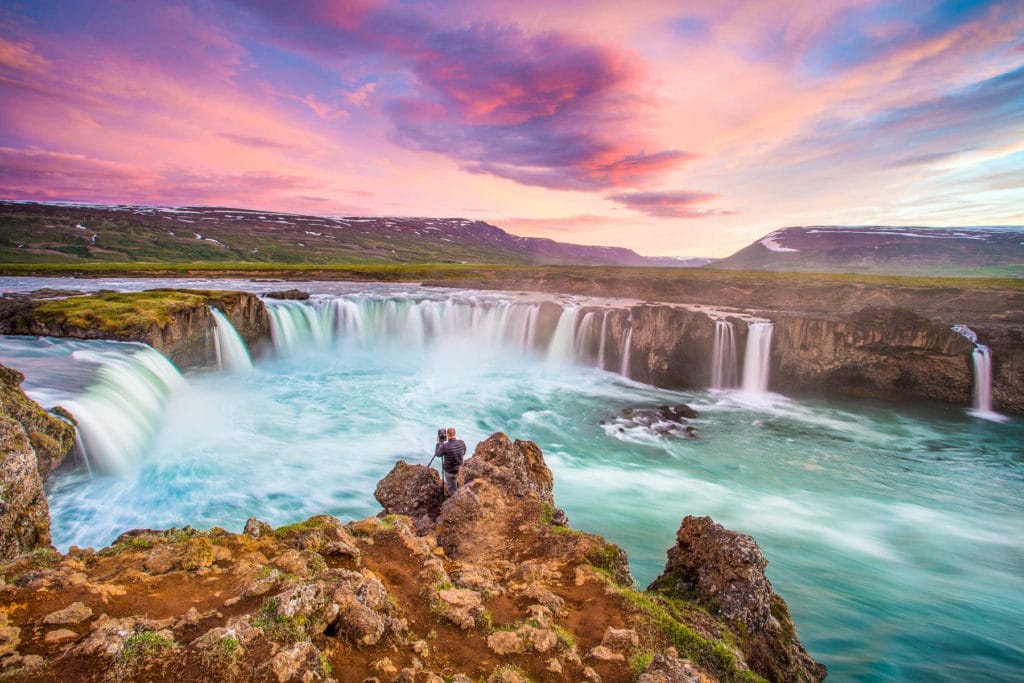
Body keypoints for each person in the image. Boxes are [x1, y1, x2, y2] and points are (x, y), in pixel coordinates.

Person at [434, 427, 466, 496]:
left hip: (449, 472)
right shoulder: (462, 442)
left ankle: (454, 499)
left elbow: (437, 454)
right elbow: (463, 453)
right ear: (455, 434)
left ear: (447, 435)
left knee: (452, 490)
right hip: (460, 470)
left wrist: (438, 444)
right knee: (458, 485)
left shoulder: (445, 446)